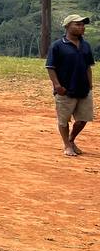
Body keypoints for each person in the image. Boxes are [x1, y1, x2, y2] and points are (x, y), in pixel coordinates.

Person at [46, 13, 94, 157]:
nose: (81, 27)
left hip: (84, 89)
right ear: (67, 26)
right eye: (77, 24)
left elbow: (88, 67)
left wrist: (90, 85)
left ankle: (71, 139)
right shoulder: (57, 46)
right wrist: (57, 86)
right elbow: (50, 67)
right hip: (65, 90)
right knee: (63, 120)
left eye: (82, 25)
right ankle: (67, 145)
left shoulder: (85, 45)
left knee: (83, 119)